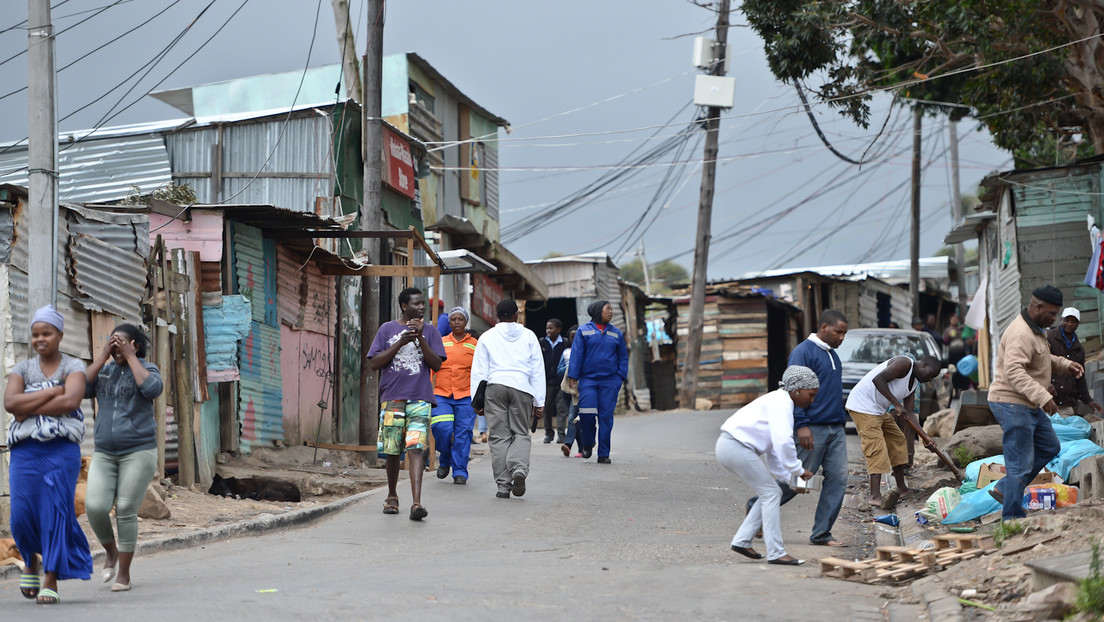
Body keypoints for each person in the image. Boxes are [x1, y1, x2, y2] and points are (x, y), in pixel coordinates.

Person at [4, 305, 92, 604]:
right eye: (35, 334)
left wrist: (26, 408)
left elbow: (71, 401)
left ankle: (51, 576)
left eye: (47, 333)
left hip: (61, 451)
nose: (40, 339)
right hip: (25, 453)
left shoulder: (74, 366)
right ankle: (30, 559)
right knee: (22, 515)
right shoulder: (22, 369)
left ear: (60, 335)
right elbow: (10, 403)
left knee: (55, 513)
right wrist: (52, 392)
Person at [747, 310, 849, 547]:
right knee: (798, 481)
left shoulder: (833, 355)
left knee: (839, 479)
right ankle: (757, 505)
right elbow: (793, 389)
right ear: (823, 327)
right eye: (838, 332)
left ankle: (822, 533)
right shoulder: (803, 352)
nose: (842, 337)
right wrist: (802, 424)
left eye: (844, 333)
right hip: (812, 428)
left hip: (836, 427)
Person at [988, 286, 1084, 520]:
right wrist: (1044, 397)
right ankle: (1011, 517)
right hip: (1011, 403)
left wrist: (1064, 364)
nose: (1054, 319)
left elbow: (1041, 357)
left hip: (1026, 403)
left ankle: (1004, 487)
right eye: (1052, 314)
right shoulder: (1021, 332)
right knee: (1020, 462)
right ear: (1037, 306)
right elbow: (1014, 371)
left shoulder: (1036, 330)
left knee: (1050, 446)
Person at [83, 324, 163, 593]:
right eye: (112, 342)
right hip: (105, 452)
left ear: (135, 345)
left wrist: (130, 357)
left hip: (138, 451)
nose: (116, 346)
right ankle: (111, 552)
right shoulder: (103, 370)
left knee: (126, 510)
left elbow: (152, 390)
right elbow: (81, 387)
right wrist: (103, 354)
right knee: (94, 506)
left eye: (122, 343)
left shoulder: (148, 368)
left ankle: (125, 575)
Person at [716, 365, 817, 566]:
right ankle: (776, 552)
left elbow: (773, 452)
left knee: (770, 492)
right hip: (735, 446)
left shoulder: (778, 400)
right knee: (771, 493)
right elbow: (783, 442)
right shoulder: (782, 403)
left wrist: (790, 480)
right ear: (797, 390)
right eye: (811, 394)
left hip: (730, 446)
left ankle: (742, 540)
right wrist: (798, 471)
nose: (811, 400)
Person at [367, 287, 446, 521]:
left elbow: (437, 365)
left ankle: (416, 503)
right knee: (392, 450)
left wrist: (420, 337)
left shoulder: (430, 331)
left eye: (423, 304)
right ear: (404, 306)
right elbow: (374, 363)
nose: (421, 307)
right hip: (392, 398)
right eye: (417, 303)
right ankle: (392, 496)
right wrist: (400, 343)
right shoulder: (387, 329)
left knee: (415, 449)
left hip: (420, 398)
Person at [470, 299, 545, 498]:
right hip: (522, 387)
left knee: (498, 437)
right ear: (516, 315)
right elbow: (538, 370)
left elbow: (479, 370)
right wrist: (539, 401)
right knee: (520, 432)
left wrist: (475, 401)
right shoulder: (529, 336)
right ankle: (519, 469)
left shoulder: (487, 336)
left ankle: (503, 486)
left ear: (497, 316)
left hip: (495, 387)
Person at [845, 354, 943, 505]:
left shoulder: (914, 384)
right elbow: (878, 380)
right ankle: (875, 496)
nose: (929, 380)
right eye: (930, 375)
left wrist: (925, 436)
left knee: (898, 439)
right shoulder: (904, 363)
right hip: (862, 405)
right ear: (923, 365)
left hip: (877, 408)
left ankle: (902, 488)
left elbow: (909, 414)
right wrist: (897, 404)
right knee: (876, 447)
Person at [567, 301, 628, 463]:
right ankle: (587, 443)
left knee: (605, 417)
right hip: (588, 380)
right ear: (597, 311)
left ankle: (603, 454)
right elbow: (577, 354)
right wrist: (573, 375)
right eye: (607, 309)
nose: (611, 312)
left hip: (610, 381)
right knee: (586, 414)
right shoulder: (583, 331)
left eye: (611, 309)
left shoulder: (616, 333)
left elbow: (623, 356)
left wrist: (620, 376)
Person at [431, 307, 478, 485]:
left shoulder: (475, 344)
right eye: (453, 319)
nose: (457, 322)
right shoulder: (440, 342)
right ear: (449, 323)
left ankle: (460, 471)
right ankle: (445, 456)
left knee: (463, 434)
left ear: (466, 322)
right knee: (442, 428)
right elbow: (431, 366)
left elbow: (480, 370)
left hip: (466, 395)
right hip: (442, 394)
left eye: (460, 319)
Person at [1046, 307, 1103, 418]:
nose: (1070, 324)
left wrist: (1088, 400)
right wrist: (1047, 383)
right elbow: (1040, 364)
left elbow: (1080, 378)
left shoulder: (1079, 349)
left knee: (1064, 432)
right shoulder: (1049, 338)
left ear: (1078, 323)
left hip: (1066, 405)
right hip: (1046, 401)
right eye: (1067, 320)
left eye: (1074, 321)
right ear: (1061, 320)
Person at [539, 318, 569, 444]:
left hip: (561, 381)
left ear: (559, 329)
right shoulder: (542, 343)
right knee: (547, 408)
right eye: (547, 328)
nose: (548, 331)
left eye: (551, 328)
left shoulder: (565, 343)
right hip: (547, 381)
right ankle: (548, 433)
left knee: (562, 408)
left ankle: (561, 434)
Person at [558, 325, 581, 457]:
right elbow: (558, 370)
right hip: (566, 388)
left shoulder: (586, 352)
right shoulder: (566, 352)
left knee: (573, 417)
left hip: (579, 390)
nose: (575, 339)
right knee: (574, 419)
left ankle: (568, 444)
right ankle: (583, 448)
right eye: (572, 337)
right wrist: (568, 368)